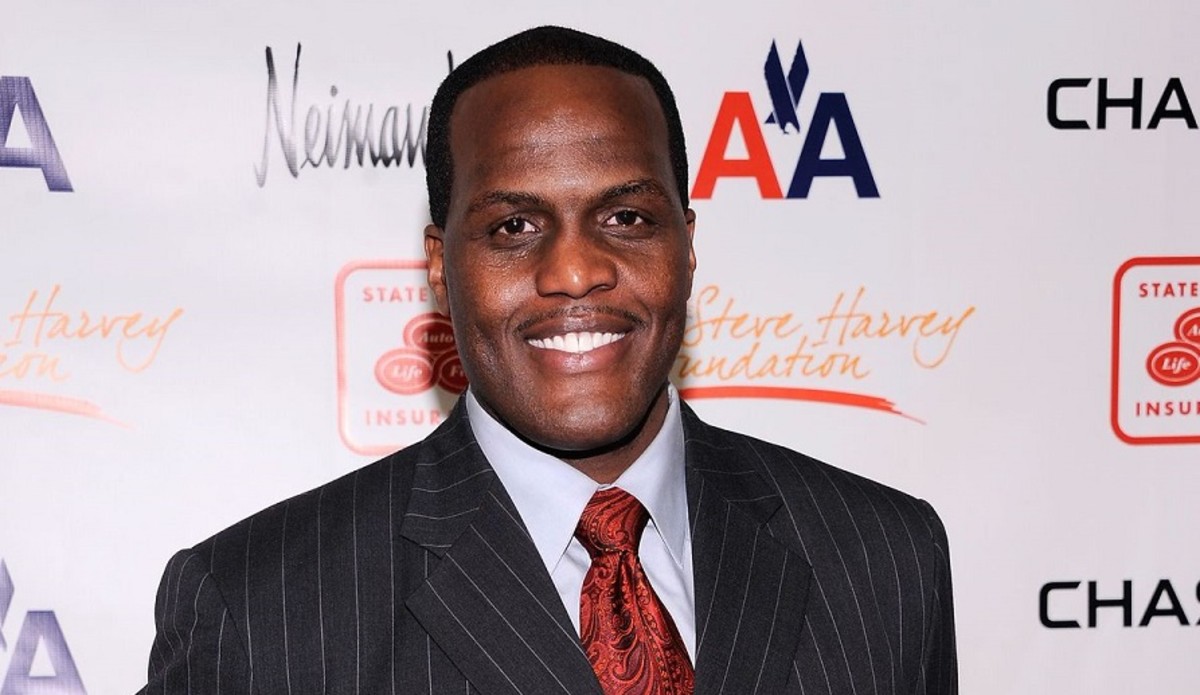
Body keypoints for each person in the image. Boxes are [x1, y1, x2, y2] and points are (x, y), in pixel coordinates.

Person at [140, 26, 957, 695]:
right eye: (513, 227)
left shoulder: (884, 559)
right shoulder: (259, 612)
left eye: (627, 217)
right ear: (439, 265)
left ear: (686, 244)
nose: (574, 270)